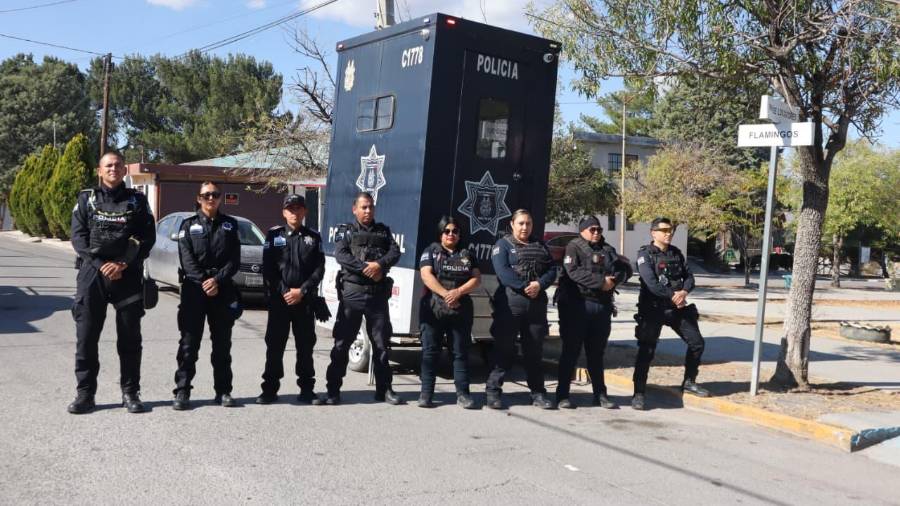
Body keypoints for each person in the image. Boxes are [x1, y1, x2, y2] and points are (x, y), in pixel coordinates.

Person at [68, 151, 156, 414]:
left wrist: (123, 263)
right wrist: (100, 265)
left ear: (125, 171)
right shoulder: (86, 199)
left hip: (126, 275)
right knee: (86, 339)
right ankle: (85, 394)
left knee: (130, 339)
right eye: (108, 165)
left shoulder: (137, 202)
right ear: (99, 170)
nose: (113, 169)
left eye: (118, 165)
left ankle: (130, 393)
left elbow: (147, 237)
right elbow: (78, 238)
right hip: (92, 275)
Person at [324, 192, 402, 405]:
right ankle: (333, 391)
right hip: (353, 295)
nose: (368, 211)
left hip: (377, 296)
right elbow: (342, 255)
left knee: (382, 345)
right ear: (355, 209)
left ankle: (384, 390)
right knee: (342, 344)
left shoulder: (383, 232)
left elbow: (395, 253)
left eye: (370, 207)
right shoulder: (346, 232)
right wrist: (367, 268)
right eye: (364, 207)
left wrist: (380, 265)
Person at [172, 182, 242, 410]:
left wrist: (217, 280)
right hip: (195, 290)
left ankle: (223, 391)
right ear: (199, 198)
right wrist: (204, 281)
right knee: (188, 345)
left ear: (220, 198)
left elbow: (234, 260)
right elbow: (187, 258)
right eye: (206, 195)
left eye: (215, 194)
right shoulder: (188, 225)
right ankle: (182, 391)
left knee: (222, 345)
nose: (211, 198)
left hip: (222, 290)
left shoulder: (230, 225)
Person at [632, 217, 710, 410]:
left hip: (677, 308)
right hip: (653, 308)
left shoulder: (676, 253)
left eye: (671, 230)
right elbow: (651, 283)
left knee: (697, 343)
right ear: (653, 233)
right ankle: (639, 392)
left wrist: (684, 292)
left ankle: (689, 382)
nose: (669, 233)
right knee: (647, 350)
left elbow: (689, 276)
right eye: (664, 230)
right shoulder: (645, 255)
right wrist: (673, 295)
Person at [555, 216, 632, 409]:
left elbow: (625, 269)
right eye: (592, 229)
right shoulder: (574, 247)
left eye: (599, 229)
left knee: (596, 353)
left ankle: (600, 394)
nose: (596, 233)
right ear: (583, 230)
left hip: (601, 307)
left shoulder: (607, 249)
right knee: (570, 352)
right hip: (576, 305)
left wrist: (615, 281)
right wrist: (601, 283)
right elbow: (573, 272)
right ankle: (562, 395)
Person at [256, 194, 326, 405]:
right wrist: (286, 291)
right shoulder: (274, 235)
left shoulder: (313, 237)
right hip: (280, 301)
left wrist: (302, 291)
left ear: (305, 212)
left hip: (304, 302)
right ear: (284, 212)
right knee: (275, 346)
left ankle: (306, 389)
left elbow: (319, 269)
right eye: (290, 209)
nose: (294, 212)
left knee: (305, 347)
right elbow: (268, 268)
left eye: (298, 209)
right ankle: (269, 390)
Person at [486, 209, 557, 409]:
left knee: (534, 351)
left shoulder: (540, 245)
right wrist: (525, 287)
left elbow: (552, 270)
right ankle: (493, 391)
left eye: (528, 223)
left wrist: (540, 285)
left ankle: (538, 393)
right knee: (504, 349)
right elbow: (503, 272)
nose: (525, 227)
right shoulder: (503, 245)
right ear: (512, 224)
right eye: (521, 223)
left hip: (536, 305)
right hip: (511, 303)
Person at [417, 216, 481, 409]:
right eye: (447, 231)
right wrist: (446, 295)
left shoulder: (467, 254)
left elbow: (476, 279)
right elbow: (426, 275)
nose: (451, 234)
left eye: (455, 231)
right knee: (430, 353)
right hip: (433, 309)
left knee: (460, 353)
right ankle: (426, 394)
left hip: (460, 310)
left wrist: (458, 293)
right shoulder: (431, 252)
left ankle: (463, 395)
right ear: (441, 234)